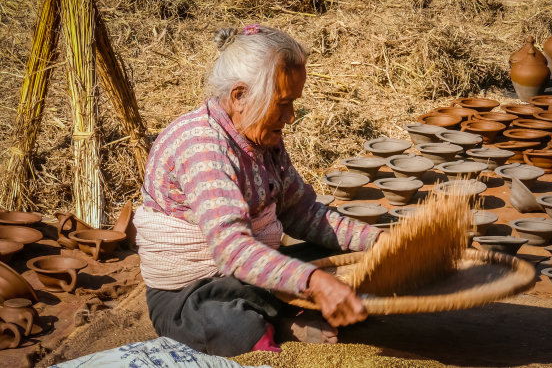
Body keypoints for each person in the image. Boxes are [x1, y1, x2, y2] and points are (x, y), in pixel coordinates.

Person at [133, 24, 384, 357]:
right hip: (190, 294)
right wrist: (312, 282)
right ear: (240, 97)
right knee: (234, 326)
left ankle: (279, 310)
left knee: (348, 265)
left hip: (248, 275)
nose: (291, 117)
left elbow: (303, 212)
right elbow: (233, 251)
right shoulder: (202, 148)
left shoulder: (266, 142)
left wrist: (379, 241)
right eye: (283, 104)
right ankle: (279, 325)